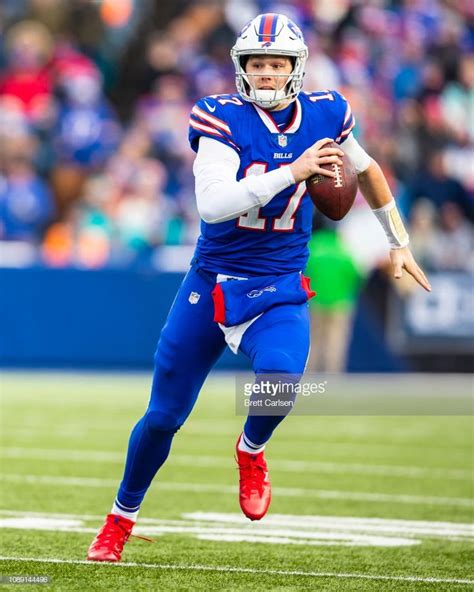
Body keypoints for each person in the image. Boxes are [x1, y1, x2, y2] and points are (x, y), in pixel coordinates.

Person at [87, 13, 431, 562]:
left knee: (282, 380)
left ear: (295, 67)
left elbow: (365, 170)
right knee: (163, 417)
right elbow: (213, 204)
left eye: (276, 64)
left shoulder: (326, 113)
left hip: (278, 285)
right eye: (257, 64)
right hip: (214, 283)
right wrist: (293, 171)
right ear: (241, 68)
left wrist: (398, 240)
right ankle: (119, 520)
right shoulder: (221, 118)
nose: (267, 74)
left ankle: (252, 448)